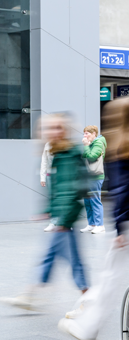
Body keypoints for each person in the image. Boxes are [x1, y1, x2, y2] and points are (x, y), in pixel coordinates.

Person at [59, 97, 129, 340]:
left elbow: (123, 189)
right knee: (128, 273)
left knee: (113, 275)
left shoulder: (122, 146)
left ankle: (89, 325)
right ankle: (86, 311)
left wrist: (120, 226)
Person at [1, 114, 89, 310]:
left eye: (58, 128)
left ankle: (87, 298)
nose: (53, 132)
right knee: (50, 256)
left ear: (64, 130)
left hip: (66, 219)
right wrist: (48, 210)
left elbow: (70, 189)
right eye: (49, 128)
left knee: (72, 260)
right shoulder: (55, 153)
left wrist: (63, 220)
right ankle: (30, 294)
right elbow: (55, 189)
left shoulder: (68, 154)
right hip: (61, 217)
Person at [80, 125, 107, 234]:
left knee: (95, 200)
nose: (85, 136)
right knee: (88, 201)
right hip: (89, 176)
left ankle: (100, 225)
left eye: (87, 133)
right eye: (84, 133)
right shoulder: (92, 144)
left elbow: (91, 157)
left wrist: (86, 146)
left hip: (95, 176)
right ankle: (92, 224)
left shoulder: (99, 143)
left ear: (94, 134)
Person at [40, 118, 57, 232]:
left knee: (63, 199)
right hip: (51, 176)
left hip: (63, 178)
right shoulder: (47, 145)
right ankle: (53, 222)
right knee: (52, 199)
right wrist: (43, 177)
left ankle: (64, 222)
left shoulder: (65, 146)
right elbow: (44, 161)